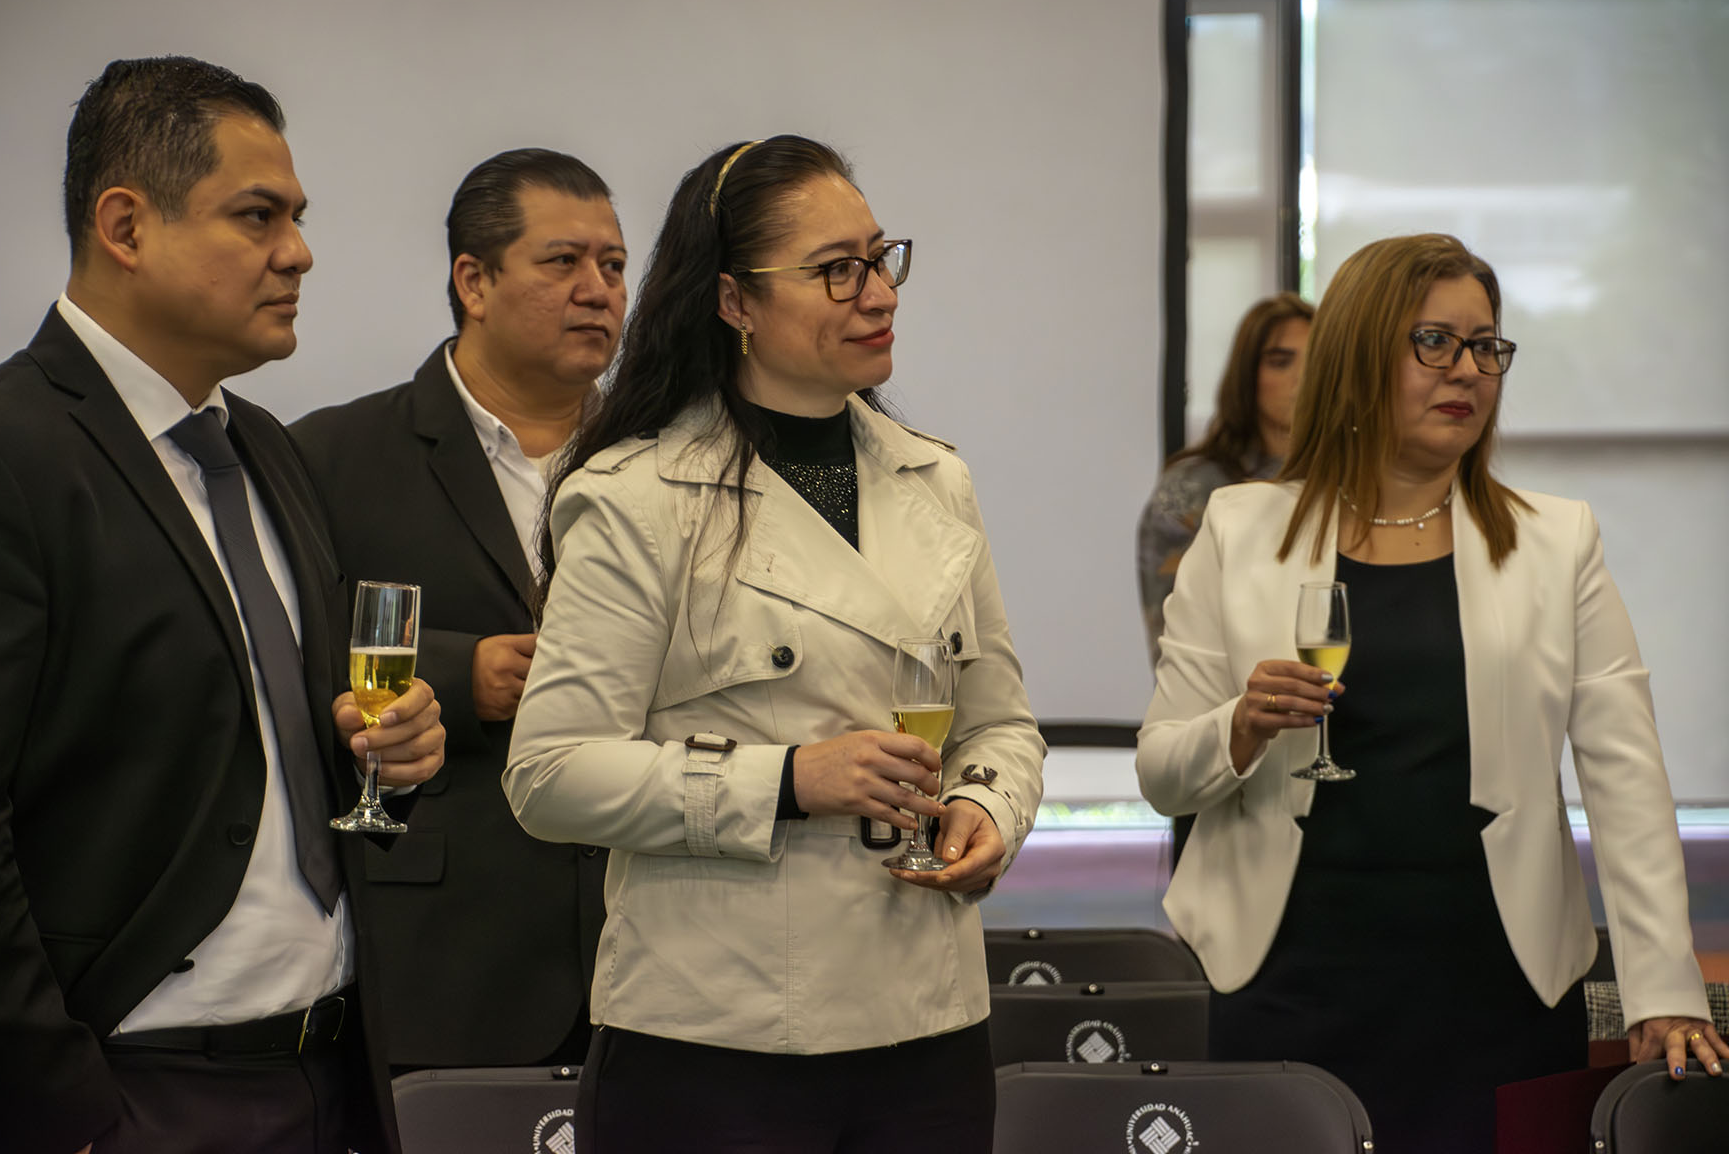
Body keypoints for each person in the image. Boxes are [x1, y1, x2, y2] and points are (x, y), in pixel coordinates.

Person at [0, 56, 446, 1154]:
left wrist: (384, 754)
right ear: (125, 225)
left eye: (298, 217)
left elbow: (274, 749)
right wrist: (60, 1112)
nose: (299, 252)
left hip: (333, 1077)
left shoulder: (264, 449)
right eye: (257, 215)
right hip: (133, 1092)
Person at [502, 136, 1045, 1152]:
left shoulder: (935, 480)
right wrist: (789, 780)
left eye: (881, 258)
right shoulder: (635, 498)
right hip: (716, 1036)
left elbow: (1002, 723)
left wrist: (984, 807)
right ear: (735, 302)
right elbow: (550, 774)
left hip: (928, 1021)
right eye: (836, 270)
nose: (877, 292)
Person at [1136, 233, 1725, 1153]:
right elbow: (1164, 773)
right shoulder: (1240, 529)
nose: (1470, 370)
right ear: (1362, 355)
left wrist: (1661, 984)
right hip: (1287, 977)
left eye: (1487, 345)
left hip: (1495, 978)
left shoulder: (1556, 540)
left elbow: (1626, 775)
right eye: (1435, 343)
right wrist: (1240, 727)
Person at [291, 149, 623, 1070]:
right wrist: (454, 675)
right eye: (563, 262)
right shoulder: (328, 455)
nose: (598, 290)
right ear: (472, 282)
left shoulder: (668, 460)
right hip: (449, 954)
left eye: (615, 265)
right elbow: (284, 659)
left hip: (656, 947)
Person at [1137, 291, 1313, 664]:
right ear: (1247, 376)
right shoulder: (1192, 489)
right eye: (1280, 362)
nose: (1302, 378)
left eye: (1318, 362)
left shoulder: (1361, 478)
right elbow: (1172, 641)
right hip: (1229, 703)